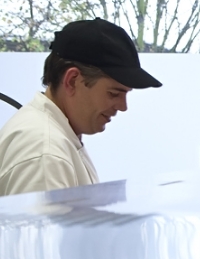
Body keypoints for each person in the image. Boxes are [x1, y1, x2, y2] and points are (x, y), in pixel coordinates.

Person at [0, 18, 162, 197]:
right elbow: (41, 226)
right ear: (72, 81)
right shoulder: (46, 153)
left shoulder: (59, 135)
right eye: (114, 93)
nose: (123, 107)